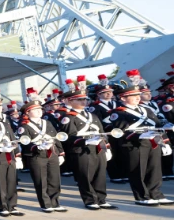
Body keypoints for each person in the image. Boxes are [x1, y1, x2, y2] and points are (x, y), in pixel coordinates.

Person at [106, 71, 173, 206]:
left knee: (155, 169)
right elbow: (122, 132)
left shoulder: (146, 110)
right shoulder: (118, 113)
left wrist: (165, 142)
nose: (137, 97)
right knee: (138, 171)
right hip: (134, 144)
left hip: (153, 142)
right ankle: (142, 196)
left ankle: (156, 194)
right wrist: (141, 134)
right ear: (123, 98)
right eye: (133, 96)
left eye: (138, 95)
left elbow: (158, 126)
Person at [61, 78, 117, 210]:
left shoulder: (93, 116)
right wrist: (85, 141)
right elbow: (68, 137)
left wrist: (106, 147)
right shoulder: (68, 117)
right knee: (86, 176)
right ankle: (90, 200)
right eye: (79, 99)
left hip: (98, 148)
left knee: (100, 175)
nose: (83, 101)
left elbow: (102, 133)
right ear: (70, 101)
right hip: (82, 150)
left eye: (84, 99)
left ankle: (101, 199)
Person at [18, 91, 66, 212]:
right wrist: (36, 147)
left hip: (52, 153)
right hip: (37, 155)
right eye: (36, 109)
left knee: (54, 179)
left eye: (40, 109)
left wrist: (60, 153)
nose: (40, 111)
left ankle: (55, 202)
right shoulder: (24, 126)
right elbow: (24, 143)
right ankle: (46, 204)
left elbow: (56, 138)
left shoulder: (47, 123)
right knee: (41, 180)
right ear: (27, 112)